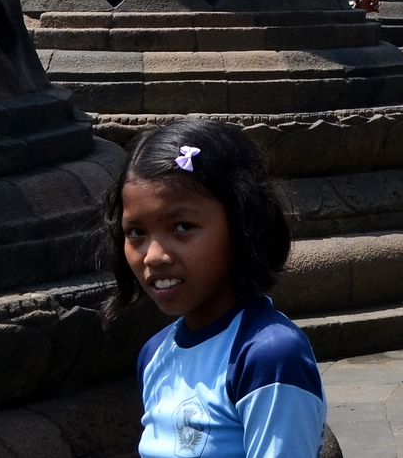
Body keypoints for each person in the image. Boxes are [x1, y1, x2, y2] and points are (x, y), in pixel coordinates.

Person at [109, 118, 326, 458]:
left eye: (182, 226)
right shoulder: (154, 356)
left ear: (243, 226)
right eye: (136, 232)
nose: (154, 256)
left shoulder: (267, 357)